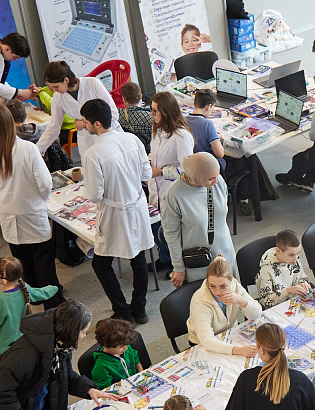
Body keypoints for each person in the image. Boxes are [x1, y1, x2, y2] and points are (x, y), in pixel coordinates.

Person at [0, 103, 63, 309]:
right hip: (31, 209)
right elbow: (45, 182)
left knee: (21, 260)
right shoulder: (27, 148)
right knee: (44, 260)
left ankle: (31, 296)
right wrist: (39, 199)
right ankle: (53, 304)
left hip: (7, 210)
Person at [80, 98, 156, 324]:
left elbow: (94, 194)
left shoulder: (93, 154)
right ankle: (139, 309)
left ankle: (122, 311)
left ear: (96, 124)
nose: (83, 125)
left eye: (85, 122)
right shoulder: (132, 139)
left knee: (101, 264)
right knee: (138, 258)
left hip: (114, 212)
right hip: (136, 205)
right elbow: (146, 175)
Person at [163, 152, 237, 288]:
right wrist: (178, 267)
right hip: (200, 262)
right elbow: (171, 234)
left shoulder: (218, 181)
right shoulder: (174, 195)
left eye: (217, 175)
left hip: (225, 253)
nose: (216, 181)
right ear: (197, 176)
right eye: (211, 178)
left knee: (231, 300)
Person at [0, 256, 58, 357]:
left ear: (4, 280)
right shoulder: (24, 288)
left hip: (4, 346)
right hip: (23, 340)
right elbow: (41, 293)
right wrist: (54, 288)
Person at [35, 61, 122, 159]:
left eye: (56, 86)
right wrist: (36, 151)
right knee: (91, 169)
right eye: (51, 88)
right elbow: (53, 128)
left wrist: (84, 123)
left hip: (110, 135)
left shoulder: (92, 83)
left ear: (66, 80)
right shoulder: (58, 97)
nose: (54, 90)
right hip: (87, 140)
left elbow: (114, 114)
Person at [149, 90, 195, 265]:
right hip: (156, 188)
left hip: (172, 190)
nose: (152, 115)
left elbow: (186, 169)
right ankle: (165, 259)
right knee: (159, 228)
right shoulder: (158, 130)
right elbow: (156, 155)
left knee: (173, 232)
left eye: (155, 111)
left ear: (166, 112)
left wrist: (159, 171)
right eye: (151, 110)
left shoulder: (181, 136)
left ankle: (177, 264)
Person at [186, 255, 260, 353]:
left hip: (230, 332)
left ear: (231, 280)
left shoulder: (235, 285)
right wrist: (237, 350)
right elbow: (206, 340)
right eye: (212, 286)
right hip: (203, 343)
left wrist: (241, 300)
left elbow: (257, 314)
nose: (217, 292)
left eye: (223, 286)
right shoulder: (200, 299)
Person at [255, 229, 310, 309]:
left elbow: (301, 278)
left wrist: (303, 283)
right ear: (278, 251)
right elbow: (265, 301)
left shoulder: (293, 259)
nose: (295, 258)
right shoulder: (266, 271)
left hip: (296, 302)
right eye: (291, 255)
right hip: (278, 307)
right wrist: (287, 291)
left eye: (298, 253)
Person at [90, 317, 145, 390]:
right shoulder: (101, 366)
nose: (126, 348)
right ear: (108, 344)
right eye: (122, 346)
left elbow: (136, 362)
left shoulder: (127, 349)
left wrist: (142, 376)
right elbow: (105, 389)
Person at [117, 81, 152, 154]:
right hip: (146, 153)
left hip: (128, 152)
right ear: (141, 97)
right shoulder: (149, 116)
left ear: (124, 99)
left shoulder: (117, 115)